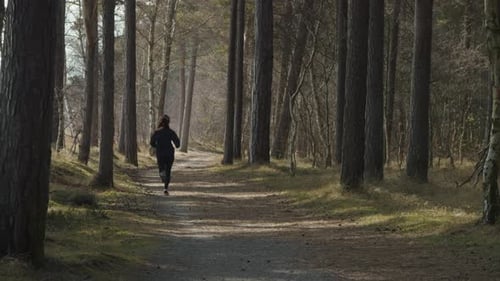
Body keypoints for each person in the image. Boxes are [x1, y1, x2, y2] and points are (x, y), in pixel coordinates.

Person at [150, 115, 180, 195]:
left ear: (160, 122)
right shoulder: (171, 132)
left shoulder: (157, 132)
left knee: (161, 169)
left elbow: (151, 143)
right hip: (169, 153)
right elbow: (177, 144)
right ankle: (165, 188)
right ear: (168, 123)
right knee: (168, 171)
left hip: (160, 153)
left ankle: (163, 176)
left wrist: (157, 146)